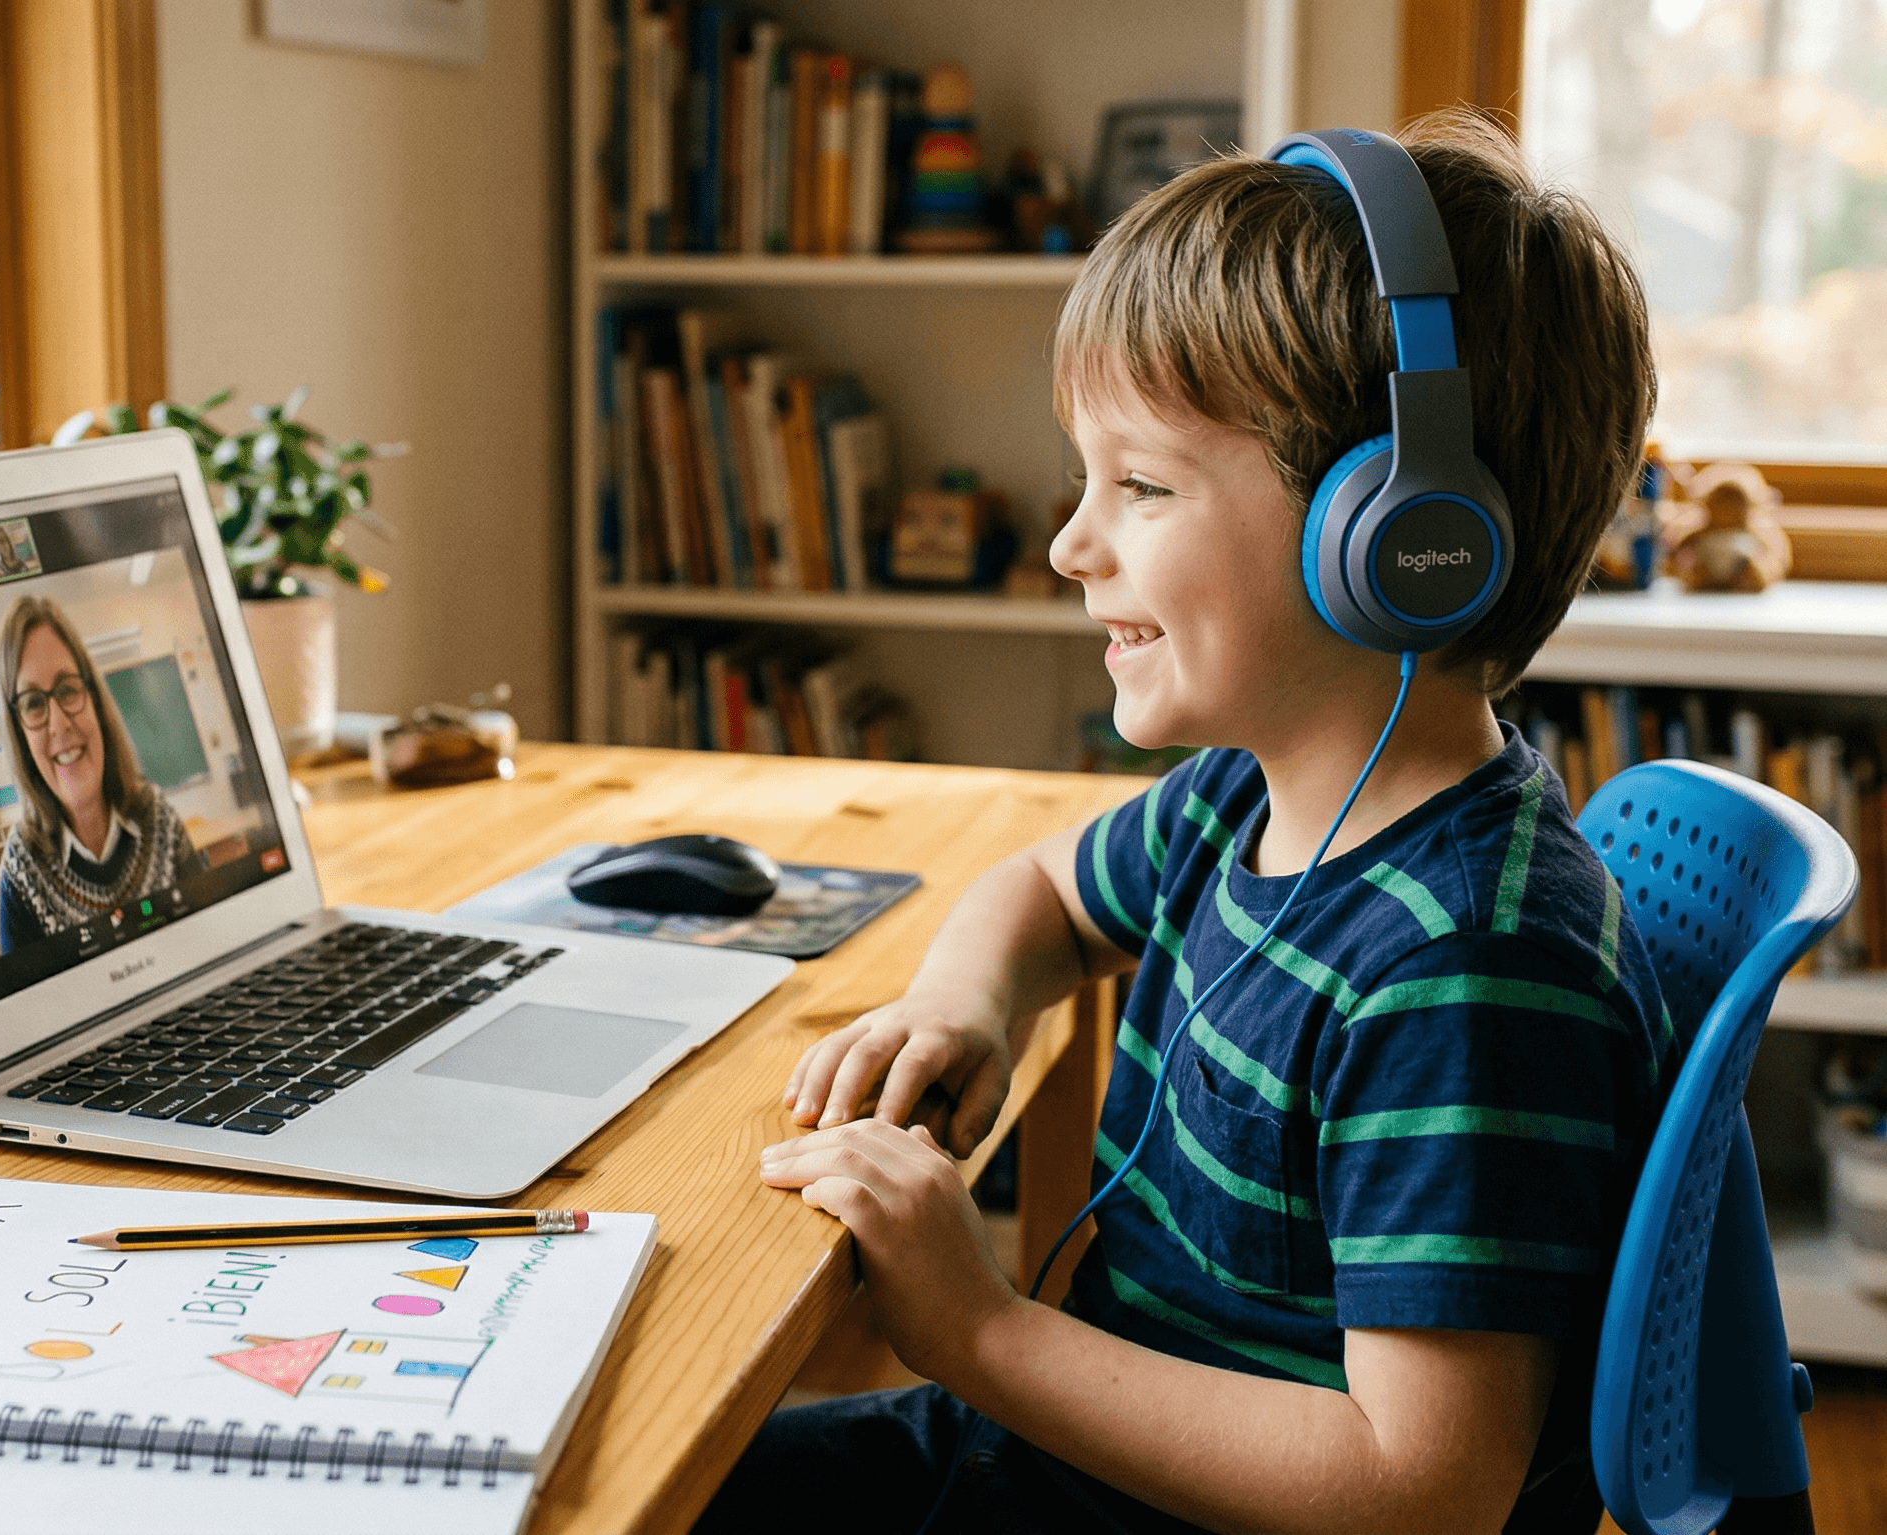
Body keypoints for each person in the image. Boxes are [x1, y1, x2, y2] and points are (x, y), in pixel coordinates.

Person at [699, 114, 1673, 1534]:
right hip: (1069, 1449)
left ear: (1404, 539)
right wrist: (966, 1006)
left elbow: (1424, 1485)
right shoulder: (1250, 792)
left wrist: (974, 1327)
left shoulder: (1463, 962)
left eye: (1140, 484)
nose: (1068, 543)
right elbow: (1039, 884)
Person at [0, 594, 203, 953]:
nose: (58, 724)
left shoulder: (158, 817)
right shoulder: (20, 867)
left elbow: (211, 938)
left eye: (68, 689)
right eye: (32, 703)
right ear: (19, 733)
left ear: (94, 697)